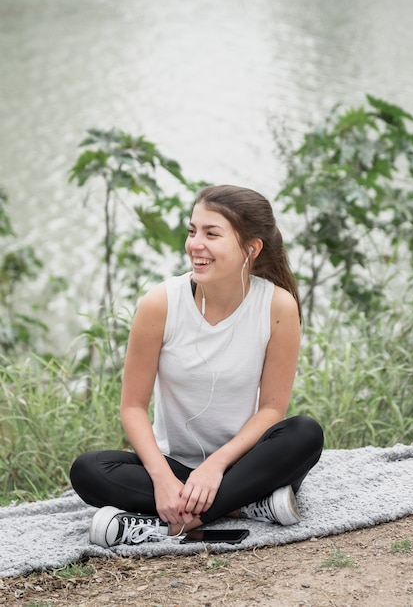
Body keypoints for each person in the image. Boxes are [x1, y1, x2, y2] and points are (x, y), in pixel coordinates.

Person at [70, 184, 324, 547]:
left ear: (251, 249)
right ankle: (245, 506)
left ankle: (171, 525)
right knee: (89, 471)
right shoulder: (160, 303)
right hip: (172, 465)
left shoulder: (277, 306)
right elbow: (132, 407)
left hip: (244, 464)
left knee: (305, 434)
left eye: (211, 233)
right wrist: (161, 478)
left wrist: (216, 467)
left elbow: (271, 409)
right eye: (192, 231)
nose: (194, 244)